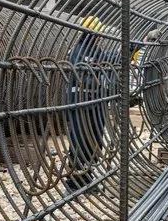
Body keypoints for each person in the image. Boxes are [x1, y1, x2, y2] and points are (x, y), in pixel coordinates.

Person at [65, 16, 157, 193]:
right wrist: (103, 77)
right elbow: (87, 71)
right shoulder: (78, 51)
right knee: (80, 139)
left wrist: (139, 44)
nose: (100, 37)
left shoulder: (95, 50)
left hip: (94, 102)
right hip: (80, 102)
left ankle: (86, 177)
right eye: (98, 34)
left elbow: (112, 58)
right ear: (90, 34)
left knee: (94, 139)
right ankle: (73, 183)